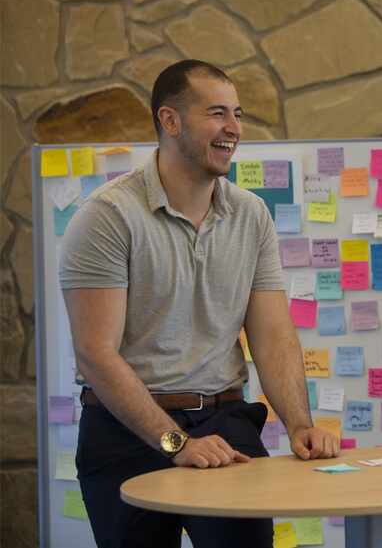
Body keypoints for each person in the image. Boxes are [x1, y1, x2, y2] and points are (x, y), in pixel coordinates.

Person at [59, 59, 339, 548]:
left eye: (237, 113)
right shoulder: (106, 217)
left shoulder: (251, 215)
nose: (233, 128)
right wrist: (176, 444)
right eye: (216, 113)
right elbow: (95, 353)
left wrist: (300, 425)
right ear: (170, 121)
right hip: (124, 431)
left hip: (224, 426)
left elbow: (272, 334)